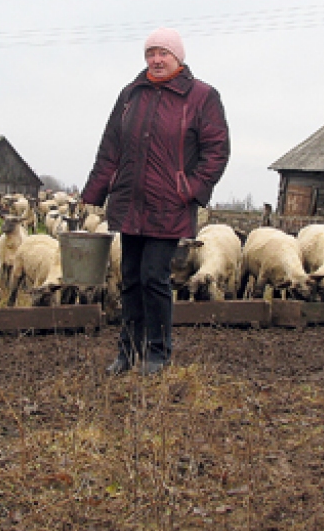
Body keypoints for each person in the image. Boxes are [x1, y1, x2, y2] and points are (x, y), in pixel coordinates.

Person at [81, 28, 230, 375]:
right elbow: (111, 147)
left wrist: (190, 189)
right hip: (131, 200)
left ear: (178, 57)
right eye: (150, 53)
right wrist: (94, 192)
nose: (156, 59)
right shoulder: (131, 94)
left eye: (163, 53)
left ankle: (158, 353)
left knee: (154, 277)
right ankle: (127, 352)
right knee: (130, 277)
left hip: (170, 204)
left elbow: (217, 149)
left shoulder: (202, 96)